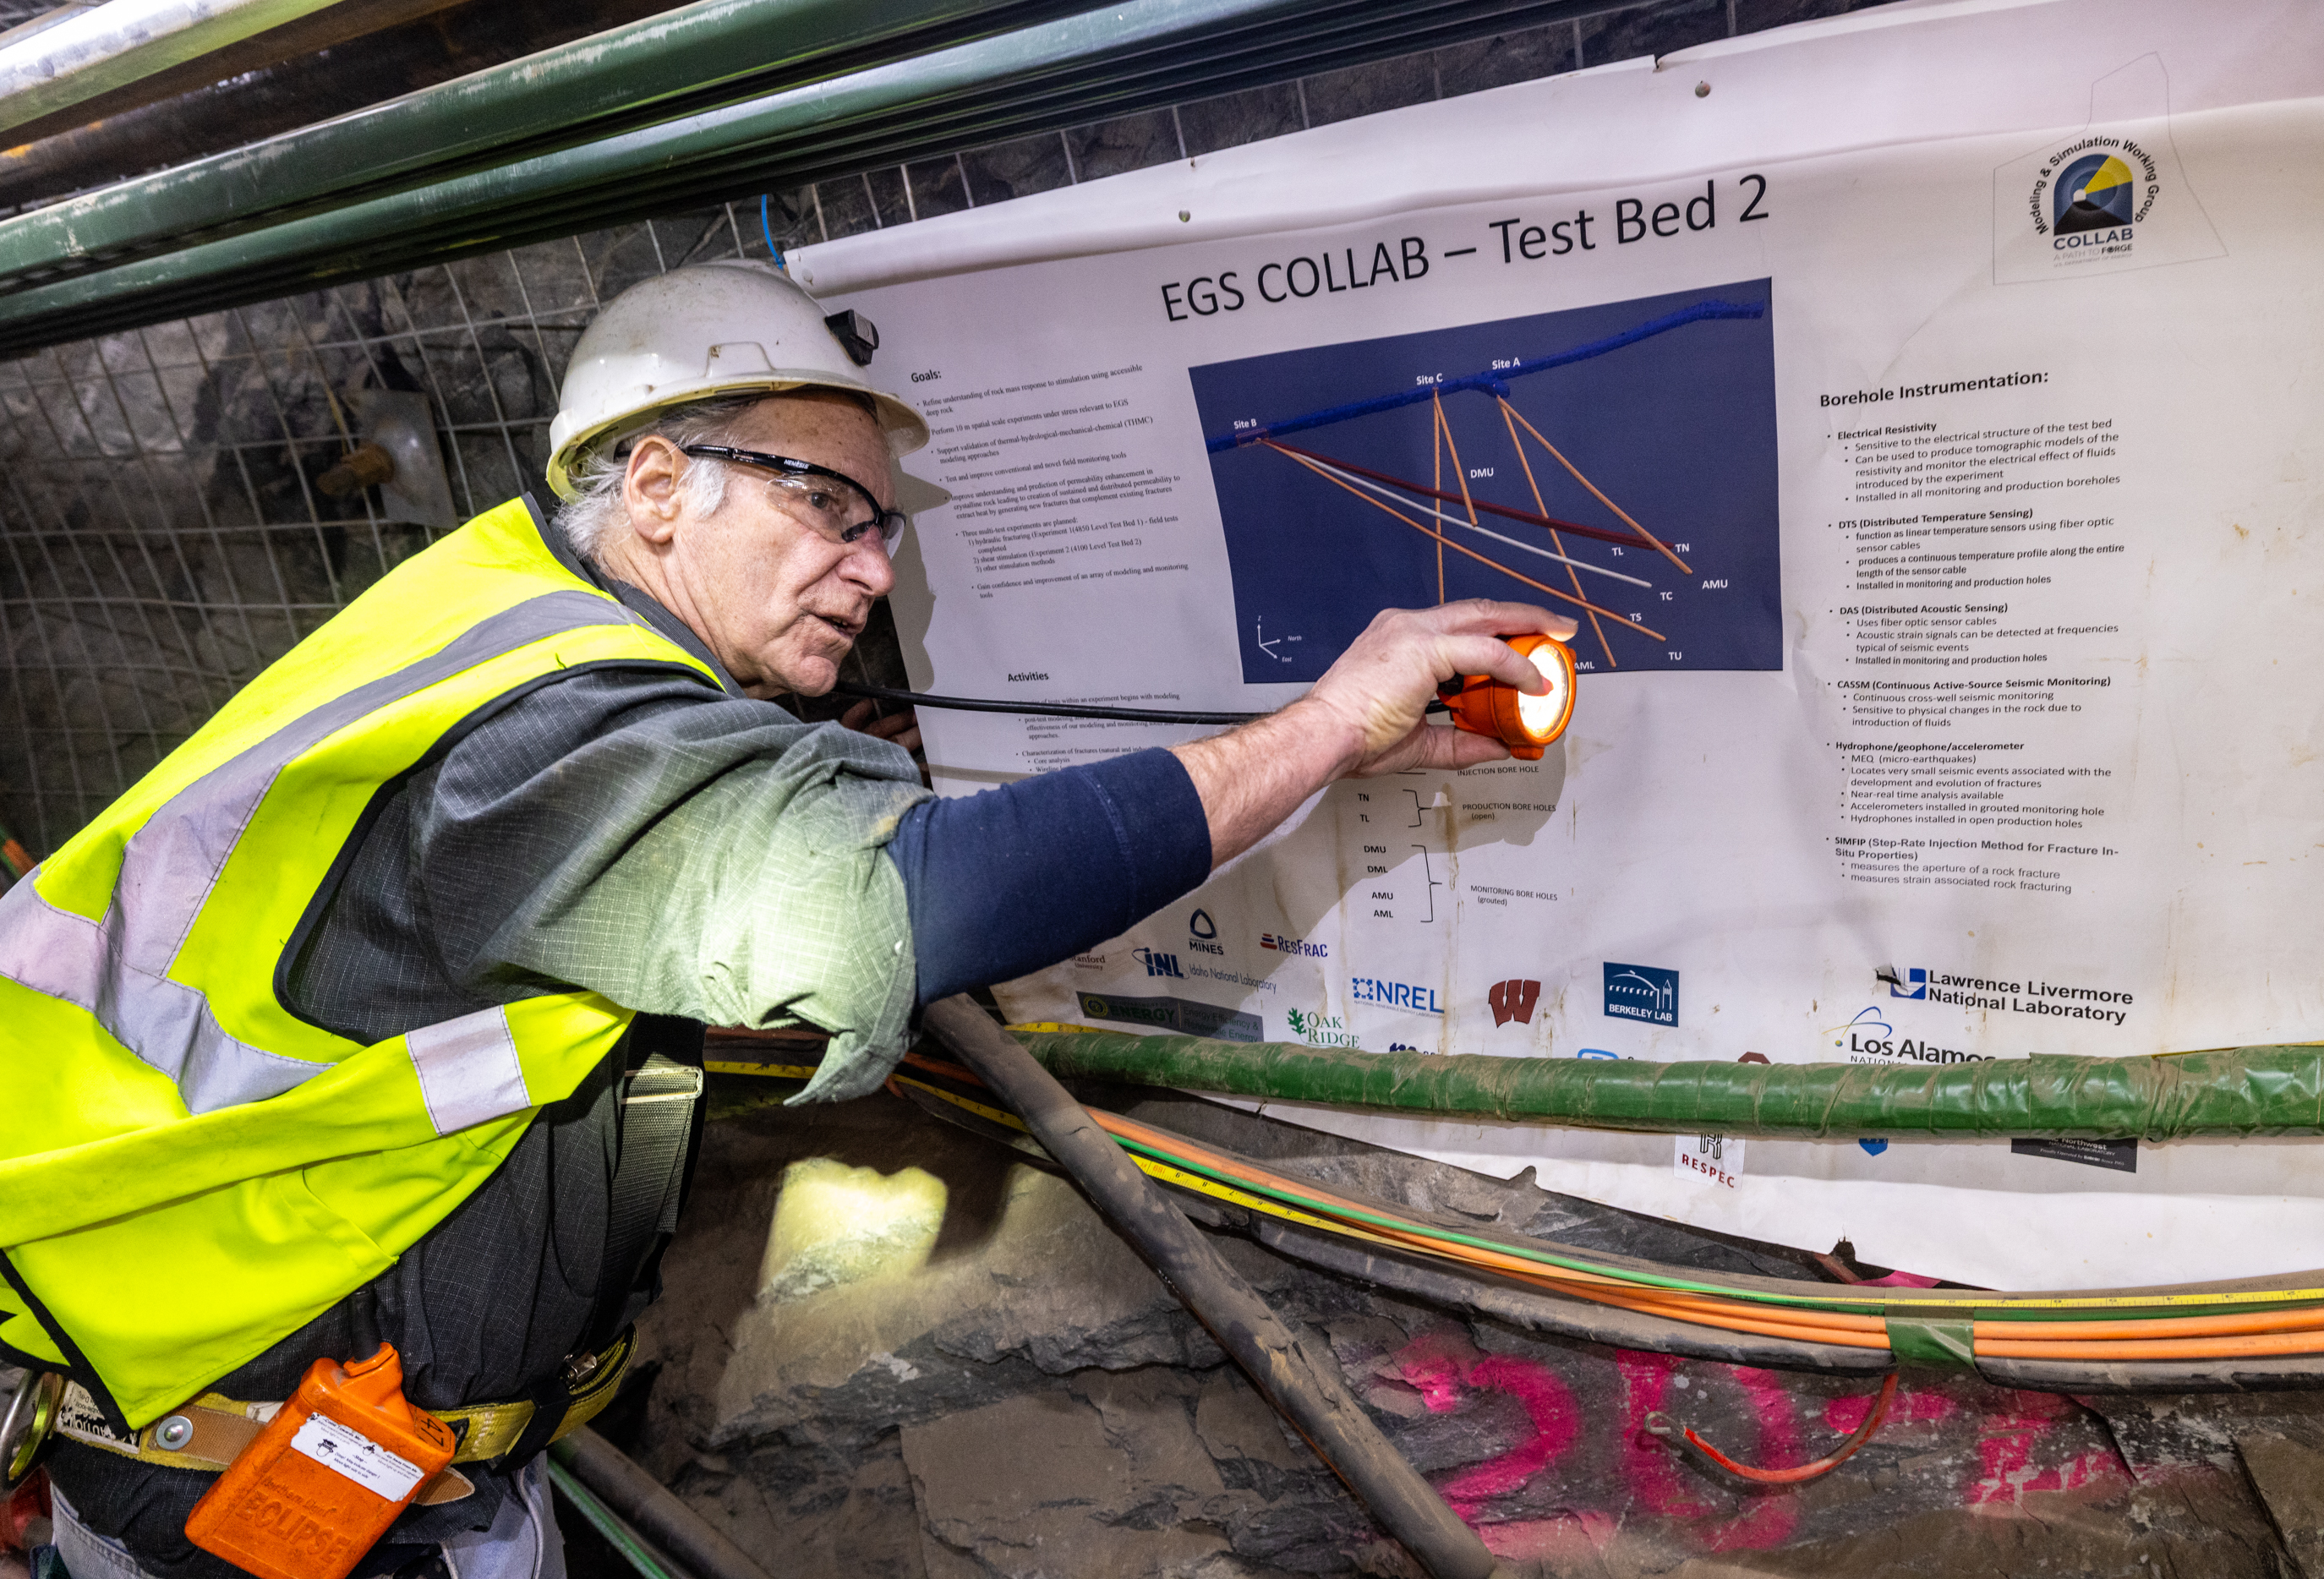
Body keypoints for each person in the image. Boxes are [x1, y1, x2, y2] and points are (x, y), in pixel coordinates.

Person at [0, 260, 1571, 1579]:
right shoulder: (546, 736)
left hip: (376, 1455)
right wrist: (1331, 729)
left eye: (883, 528)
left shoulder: (496, 616)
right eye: (831, 505)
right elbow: (895, 909)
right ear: (665, 485)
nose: (871, 570)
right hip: (253, 1482)